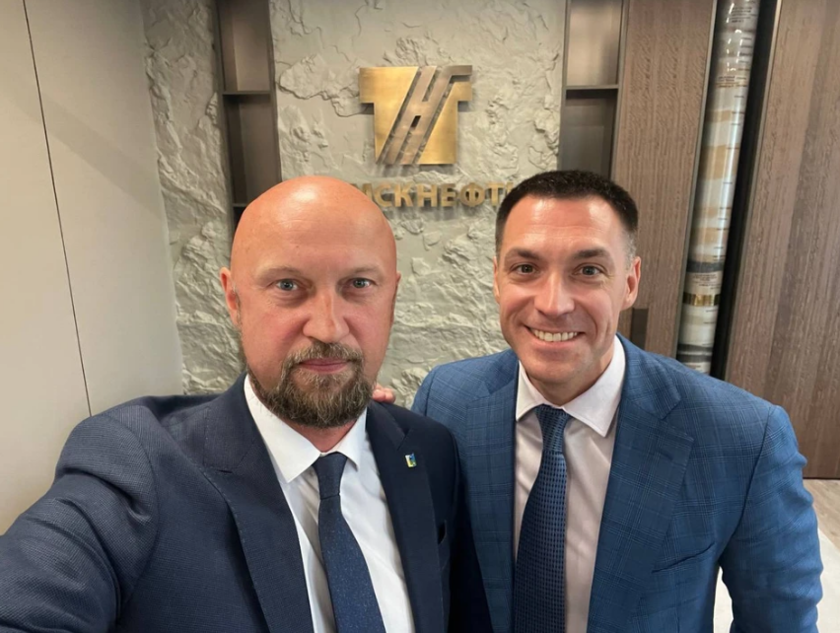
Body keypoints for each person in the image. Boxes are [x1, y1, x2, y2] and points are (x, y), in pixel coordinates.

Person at [0, 176, 490, 633]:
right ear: (234, 300)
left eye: (358, 285)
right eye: (288, 286)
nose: (327, 327)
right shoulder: (137, 463)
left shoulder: (428, 451)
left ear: (392, 298)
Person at [393, 170, 822, 632]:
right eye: (526, 269)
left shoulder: (743, 436)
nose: (553, 304)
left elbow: (780, 622)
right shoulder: (448, 399)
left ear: (630, 283)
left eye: (588, 271)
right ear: (497, 279)